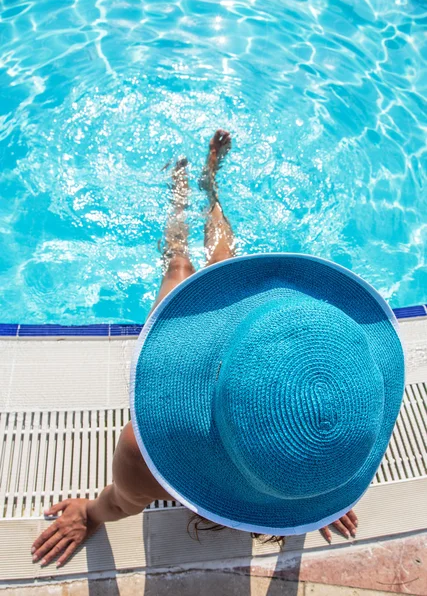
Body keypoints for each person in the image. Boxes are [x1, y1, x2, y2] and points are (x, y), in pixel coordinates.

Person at [31, 130, 404, 568]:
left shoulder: (144, 445)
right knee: (218, 254)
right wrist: (315, 495)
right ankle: (205, 185)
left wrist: (89, 512)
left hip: (213, 392)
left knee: (182, 266)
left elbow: (119, 503)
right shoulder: (357, 417)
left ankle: (190, 189)